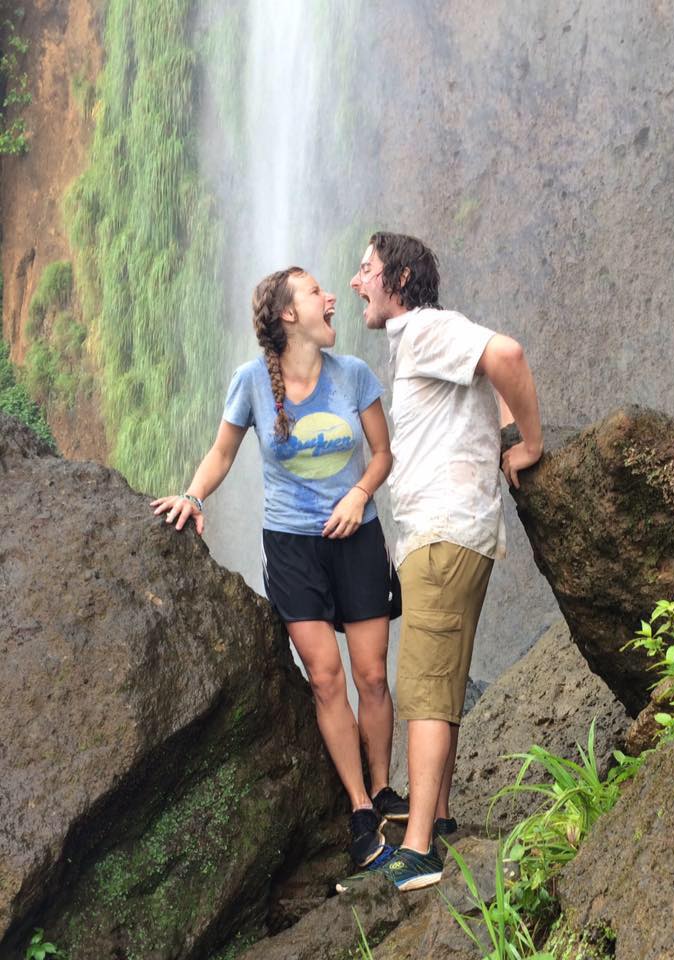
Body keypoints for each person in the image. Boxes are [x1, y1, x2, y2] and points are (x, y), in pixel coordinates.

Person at [151, 266, 408, 869]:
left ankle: (382, 785)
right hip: (292, 547)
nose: (330, 297)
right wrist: (191, 496)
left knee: (371, 675)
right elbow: (221, 452)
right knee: (325, 678)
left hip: (358, 537)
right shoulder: (250, 383)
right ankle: (360, 810)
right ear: (290, 315)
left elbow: (383, 454)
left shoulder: (354, 376)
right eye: (317, 292)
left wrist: (360, 494)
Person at [337, 232, 543, 892]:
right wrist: (505, 437)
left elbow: (507, 354)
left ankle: (420, 847)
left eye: (365, 270)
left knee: (423, 689)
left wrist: (530, 444)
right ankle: (442, 817)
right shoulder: (424, 338)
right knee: (443, 684)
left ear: (396, 277)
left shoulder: (423, 328)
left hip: (442, 536)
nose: (355, 282)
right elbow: (493, 373)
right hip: (457, 532)